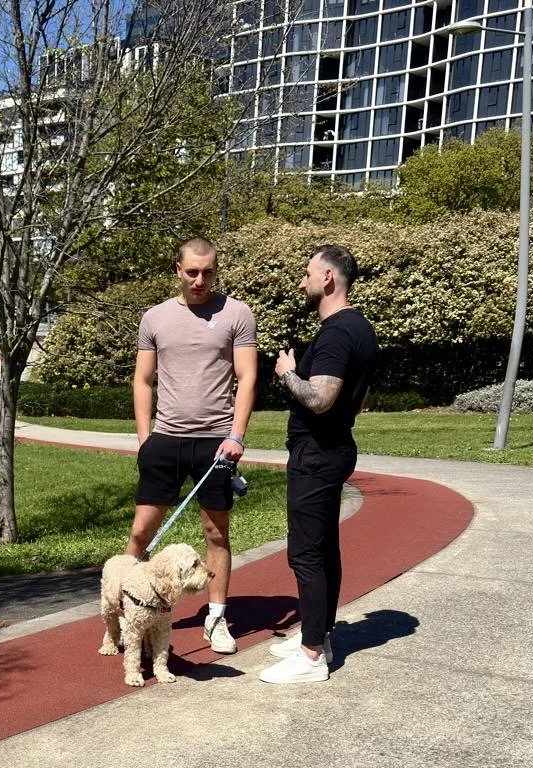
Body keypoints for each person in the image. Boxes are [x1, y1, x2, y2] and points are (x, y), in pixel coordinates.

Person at [128, 237, 258, 654]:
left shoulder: (237, 314)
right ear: (178, 270)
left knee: (215, 533)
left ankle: (216, 619)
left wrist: (236, 435)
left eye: (208, 272)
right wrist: (145, 438)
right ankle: (129, 612)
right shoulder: (155, 318)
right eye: (192, 272)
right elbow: (142, 380)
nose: (200, 280)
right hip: (165, 440)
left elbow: (247, 378)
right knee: (141, 532)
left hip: (216, 443)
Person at [260, 244, 379, 685]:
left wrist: (287, 373)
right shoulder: (360, 328)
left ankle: (311, 657)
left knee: (306, 552)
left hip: (317, 453)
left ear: (328, 278)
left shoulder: (336, 333)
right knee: (325, 549)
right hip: (333, 449)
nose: (301, 282)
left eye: (307, 274)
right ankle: (319, 636)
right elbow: (357, 398)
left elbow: (322, 398)